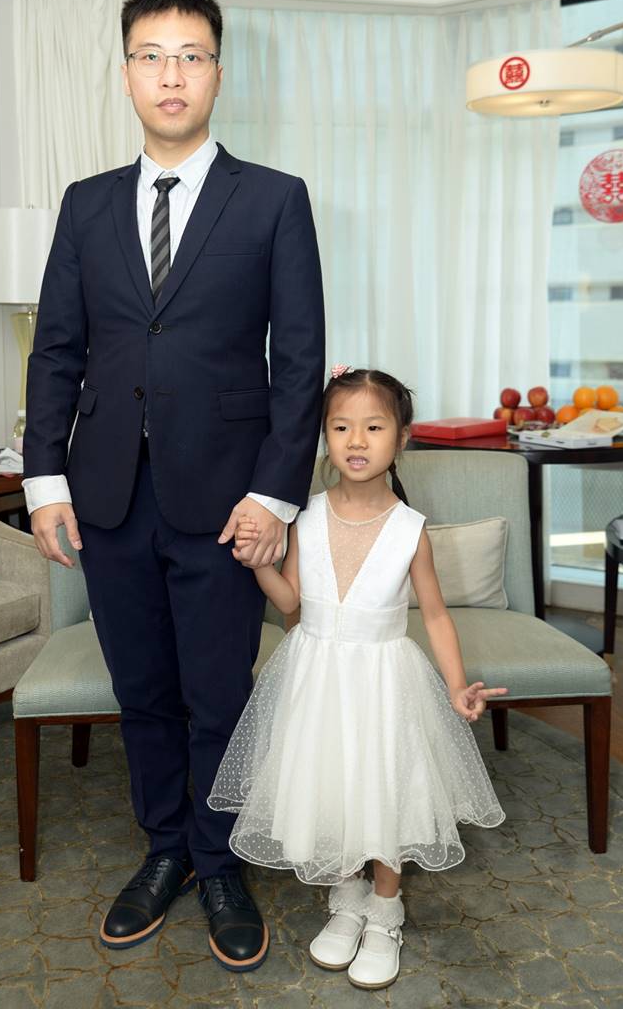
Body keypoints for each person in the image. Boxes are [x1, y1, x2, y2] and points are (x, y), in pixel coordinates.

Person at [23, 0, 325, 972]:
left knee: (218, 693)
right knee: (143, 689)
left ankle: (220, 859)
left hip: (228, 499)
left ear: (217, 74)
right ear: (125, 74)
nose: (171, 73)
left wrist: (275, 496)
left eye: (191, 55)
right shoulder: (85, 204)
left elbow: (299, 363)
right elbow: (56, 352)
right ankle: (165, 851)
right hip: (108, 494)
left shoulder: (274, 199)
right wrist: (44, 482)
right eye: (151, 55)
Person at [209, 365, 507, 990]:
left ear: (402, 438)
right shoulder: (305, 517)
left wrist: (457, 685)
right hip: (316, 678)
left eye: (374, 427)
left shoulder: (410, 530)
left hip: (383, 683)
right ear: (324, 436)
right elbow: (290, 603)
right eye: (341, 427)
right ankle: (346, 899)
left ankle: (386, 910)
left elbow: (436, 615)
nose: (356, 440)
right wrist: (258, 563)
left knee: (385, 790)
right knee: (333, 785)